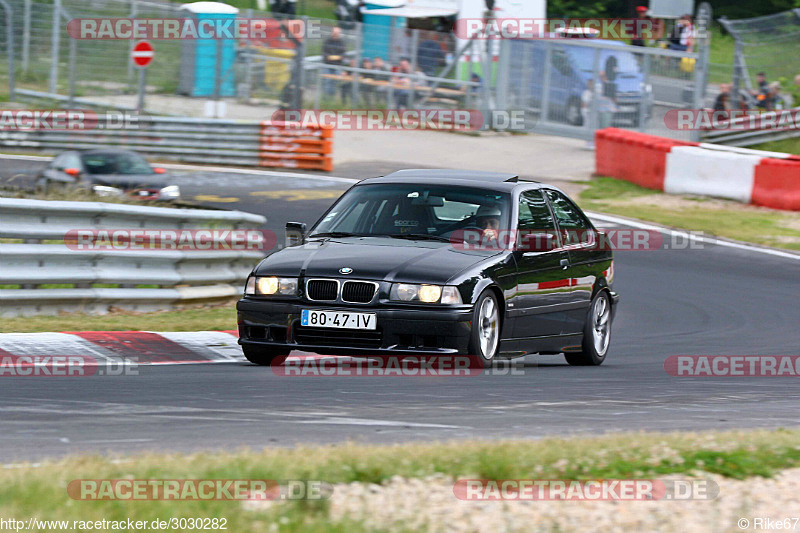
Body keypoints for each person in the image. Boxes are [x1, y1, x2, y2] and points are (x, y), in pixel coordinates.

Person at [322, 26, 347, 96]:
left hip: (337, 66)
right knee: (327, 82)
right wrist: (329, 57)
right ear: (332, 32)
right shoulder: (327, 41)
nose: (336, 34)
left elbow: (343, 55)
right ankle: (325, 99)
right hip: (327, 65)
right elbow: (324, 53)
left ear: (339, 33)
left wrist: (335, 57)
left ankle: (331, 100)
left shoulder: (342, 43)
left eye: (337, 33)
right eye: (334, 32)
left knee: (334, 83)